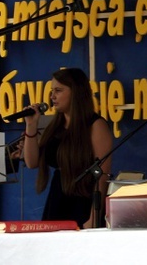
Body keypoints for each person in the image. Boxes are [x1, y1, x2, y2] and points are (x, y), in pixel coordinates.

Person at [22, 68, 112, 228]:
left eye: (58, 90)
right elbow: (31, 162)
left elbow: (102, 175)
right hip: (58, 197)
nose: (52, 96)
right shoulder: (55, 126)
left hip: (82, 199)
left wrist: (94, 216)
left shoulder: (95, 125)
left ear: (75, 92)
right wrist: (31, 125)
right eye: (52, 91)